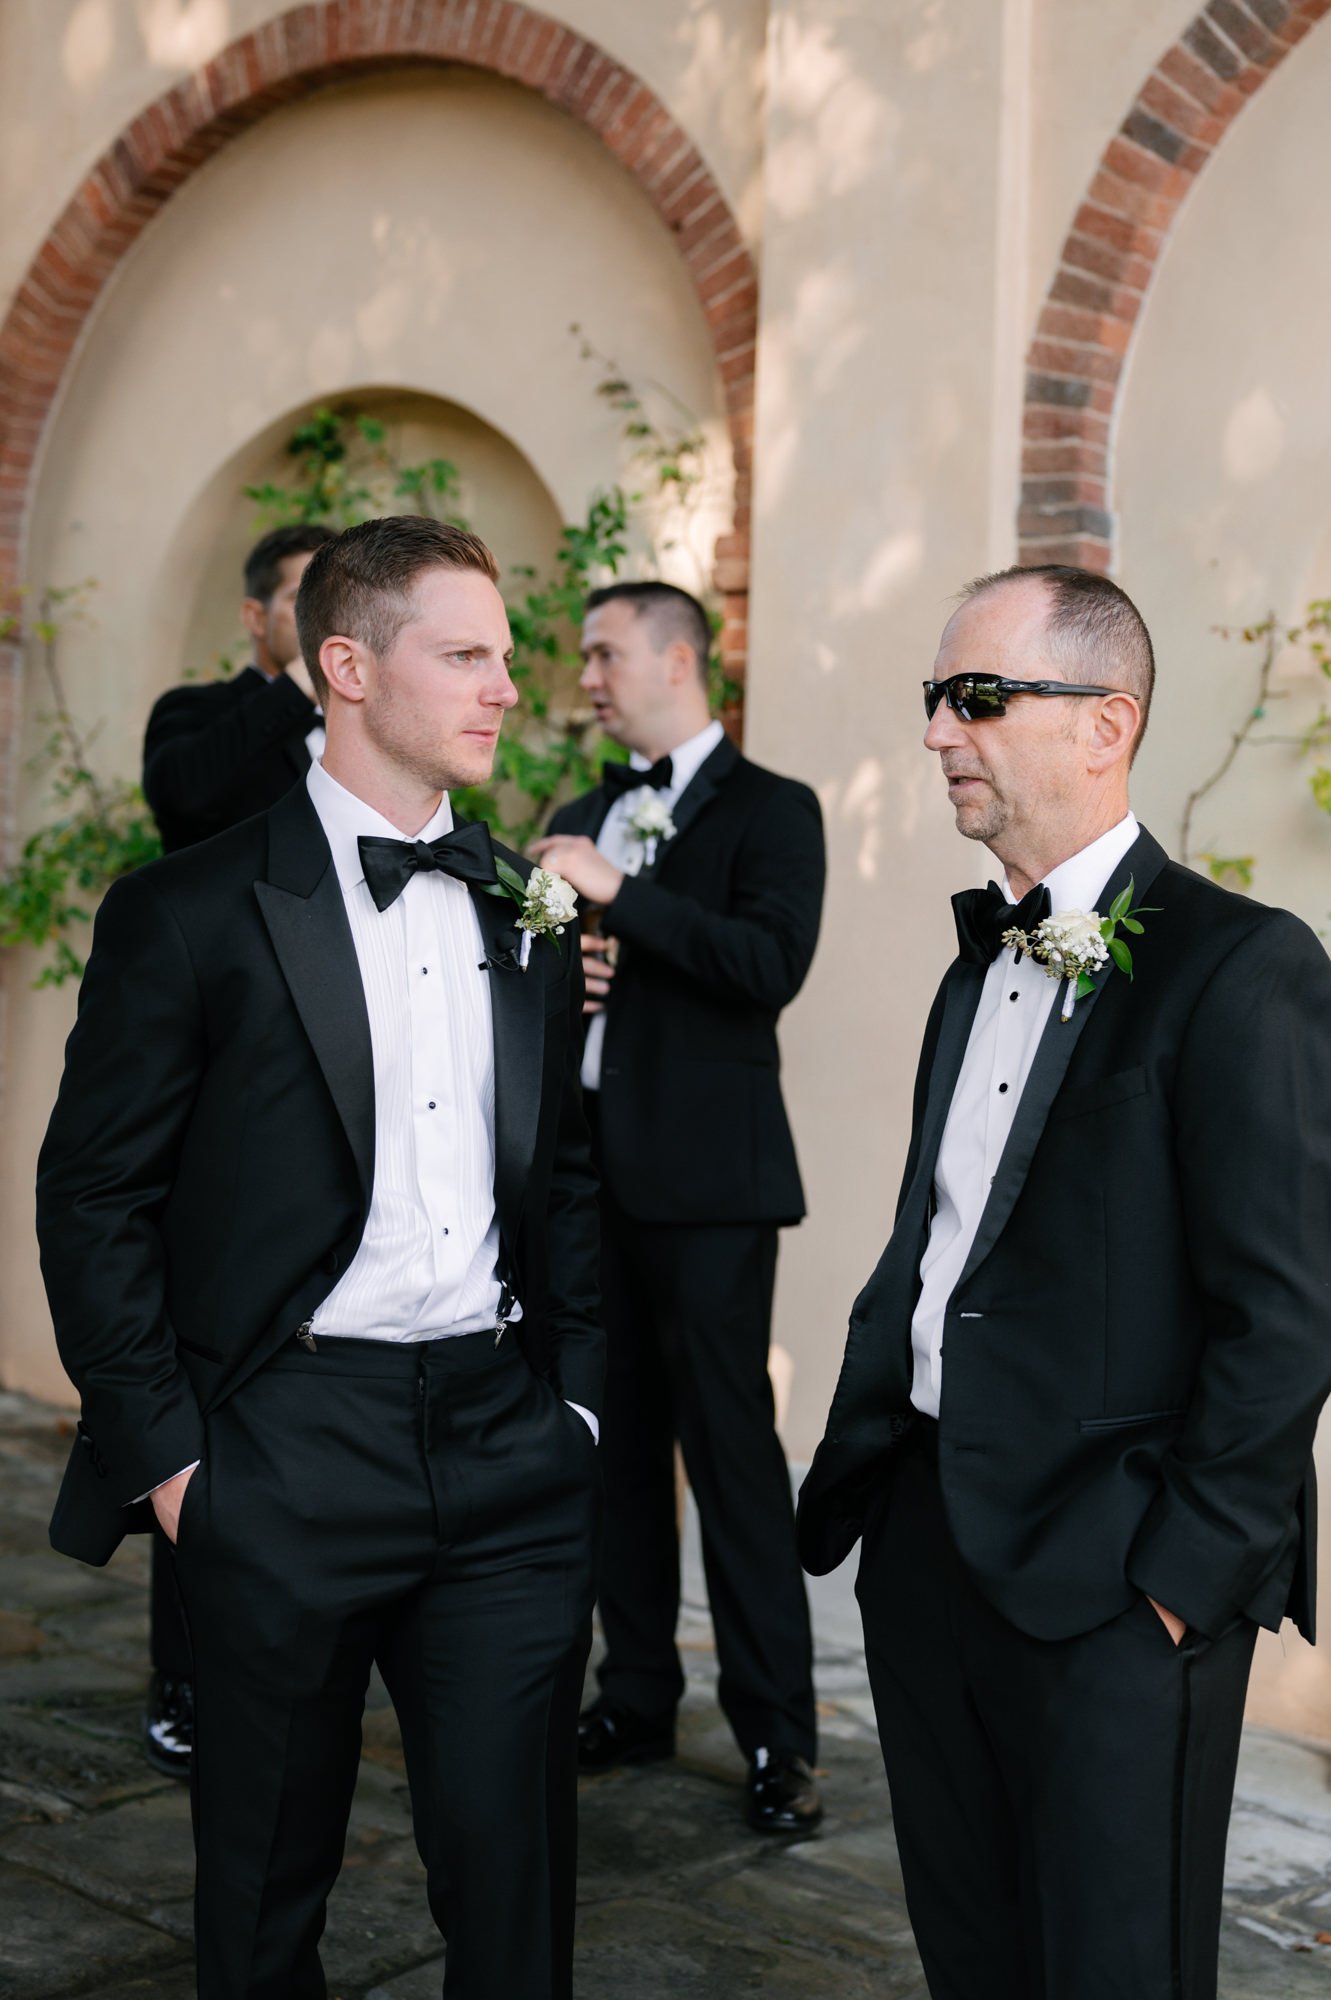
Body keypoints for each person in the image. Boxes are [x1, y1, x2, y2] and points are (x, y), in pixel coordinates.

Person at [38, 516, 603, 2000]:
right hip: (280, 1446)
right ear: (344, 665)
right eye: (464, 654)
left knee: (516, 1892)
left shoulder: (522, 909)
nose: (503, 687)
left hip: (503, 1450)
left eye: (506, 655)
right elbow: (91, 1195)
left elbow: (572, 1181)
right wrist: (173, 1458)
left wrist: (579, 1407)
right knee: (265, 1891)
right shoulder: (187, 910)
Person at [798, 564, 1331, 1999]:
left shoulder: (1243, 969)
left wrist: (1173, 1589)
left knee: (1114, 1971)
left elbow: (1281, 1313)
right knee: (969, 1954)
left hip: (1112, 1584)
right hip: (923, 1543)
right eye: (931, 700)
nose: (934, 733)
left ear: (1105, 724)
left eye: (975, 698)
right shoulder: (970, 972)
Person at [531, 580, 826, 1835]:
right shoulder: (578, 810)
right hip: (587, 1179)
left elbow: (768, 965)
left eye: (603, 653)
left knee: (731, 1456)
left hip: (709, 1192)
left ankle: (776, 1737)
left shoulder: (775, 810)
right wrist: (572, 967)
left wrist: (619, 897)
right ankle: (635, 1692)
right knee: (610, 1453)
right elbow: (538, 967)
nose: (586, 676)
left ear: (676, 655)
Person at [136, 519, 336, 1780]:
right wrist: (297, 694)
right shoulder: (202, 711)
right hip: (224, 1102)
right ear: (264, 614)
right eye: (311, 601)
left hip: (345, 1103)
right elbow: (185, 802)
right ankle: (186, 1672)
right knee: (207, 1387)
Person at [142, 521, 336, 852]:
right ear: (255, 617)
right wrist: (296, 685)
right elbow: (180, 798)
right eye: (303, 597)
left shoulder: (368, 717)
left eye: (338, 598)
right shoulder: (196, 707)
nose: (327, 614)